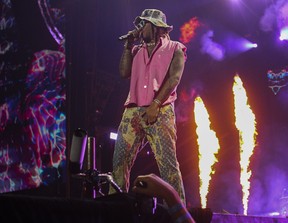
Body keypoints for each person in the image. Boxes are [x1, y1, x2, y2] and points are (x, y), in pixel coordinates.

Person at [111, 9, 187, 204]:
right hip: (133, 111)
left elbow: (174, 79)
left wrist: (155, 103)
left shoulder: (175, 48)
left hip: (160, 111)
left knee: (168, 166)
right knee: (119, 163)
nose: (139, 28)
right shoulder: (136, 50)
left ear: (155, 27)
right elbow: (123, 72)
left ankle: (177, 212)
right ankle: (114, 210)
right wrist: (127, 46)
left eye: (143, 24)